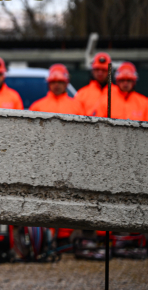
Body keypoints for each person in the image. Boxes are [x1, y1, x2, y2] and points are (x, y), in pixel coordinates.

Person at [29, 64, 86, 246]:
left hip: (70, 159)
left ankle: (63, 238)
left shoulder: (77, 106)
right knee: (45, 198)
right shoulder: (37, 106)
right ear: (49, 83)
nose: (57, 85)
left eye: (60, 82)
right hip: (45, 160)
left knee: (67, 198)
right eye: (54, 82)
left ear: (66, 82)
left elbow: (85, 134)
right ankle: (46, 238)